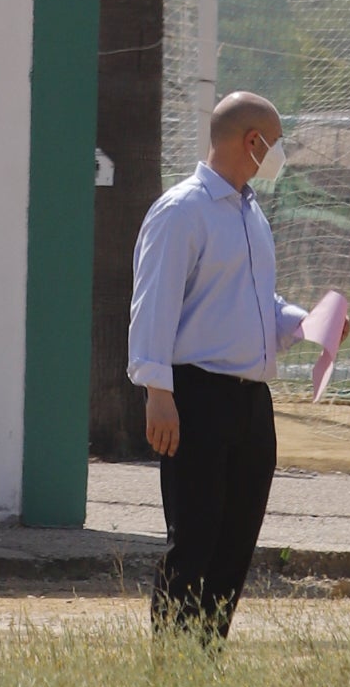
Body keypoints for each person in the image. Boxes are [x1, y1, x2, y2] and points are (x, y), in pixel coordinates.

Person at [126, 90, 311, 638]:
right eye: (276, 143)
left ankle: (206, 657)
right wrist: (158, 391)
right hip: (196, 396)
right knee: (195, 539)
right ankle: (173, 668)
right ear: (251, 141)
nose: (280, 155)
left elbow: (255, 303)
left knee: (236, 544)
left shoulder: (251, 212)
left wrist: (305, 323)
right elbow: (154, 302)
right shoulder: (182, 210)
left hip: (252, 402)